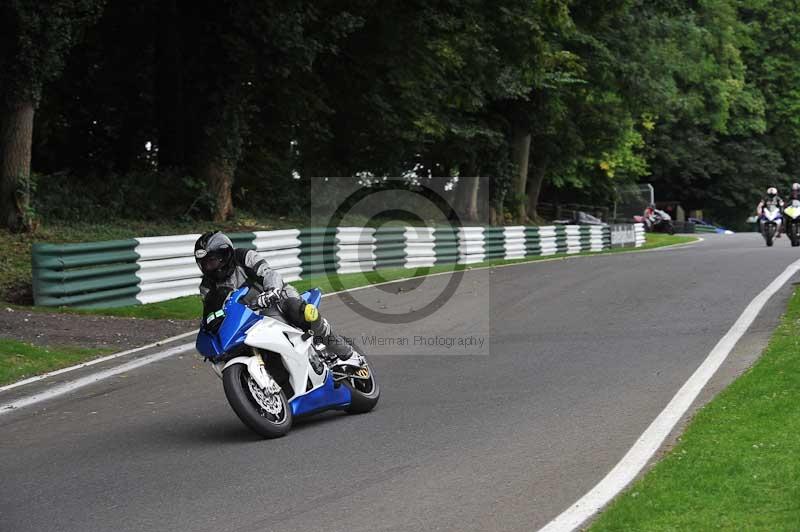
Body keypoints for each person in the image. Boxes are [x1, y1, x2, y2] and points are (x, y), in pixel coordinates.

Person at [194, 231, 352, 360]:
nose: (209, 268)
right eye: (204, 264)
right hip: (246, 319)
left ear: (225, 255)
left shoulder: (243, 257)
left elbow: (268, 273)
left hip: (275, 299)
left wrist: (272, 290)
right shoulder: (207, 286)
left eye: (212, 261)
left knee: (297, 309)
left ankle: (339, 347)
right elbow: (212, 311)